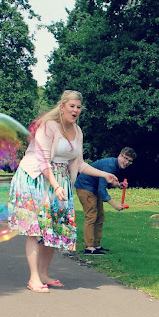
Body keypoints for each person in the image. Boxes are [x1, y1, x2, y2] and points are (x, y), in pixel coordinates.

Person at [8, 90, 119, 293]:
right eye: (72, 106)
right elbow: (42, 161)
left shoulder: (77, 131)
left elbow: (80, 163)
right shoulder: (48, 126)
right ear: (62, 107)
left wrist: (104, 174)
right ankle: (33, 278)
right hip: (36, 178)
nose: (76, 110)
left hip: (60, 180)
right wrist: (56, 185)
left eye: (78, 107)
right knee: (35, 229)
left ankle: (43, 274)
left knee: (56, 229)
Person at [74, 147, 136, 255]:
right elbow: (102, 190)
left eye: (129, 161)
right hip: (85, 187)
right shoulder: (109, 166)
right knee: (91, 216)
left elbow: (106, 182)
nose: (126, 162)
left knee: (100, 216)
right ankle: (89, 248)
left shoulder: (114, 165)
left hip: (93, 188)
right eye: (125, 158)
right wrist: (115, 205)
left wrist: (118, 184)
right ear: (119, 155)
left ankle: (96, 245)